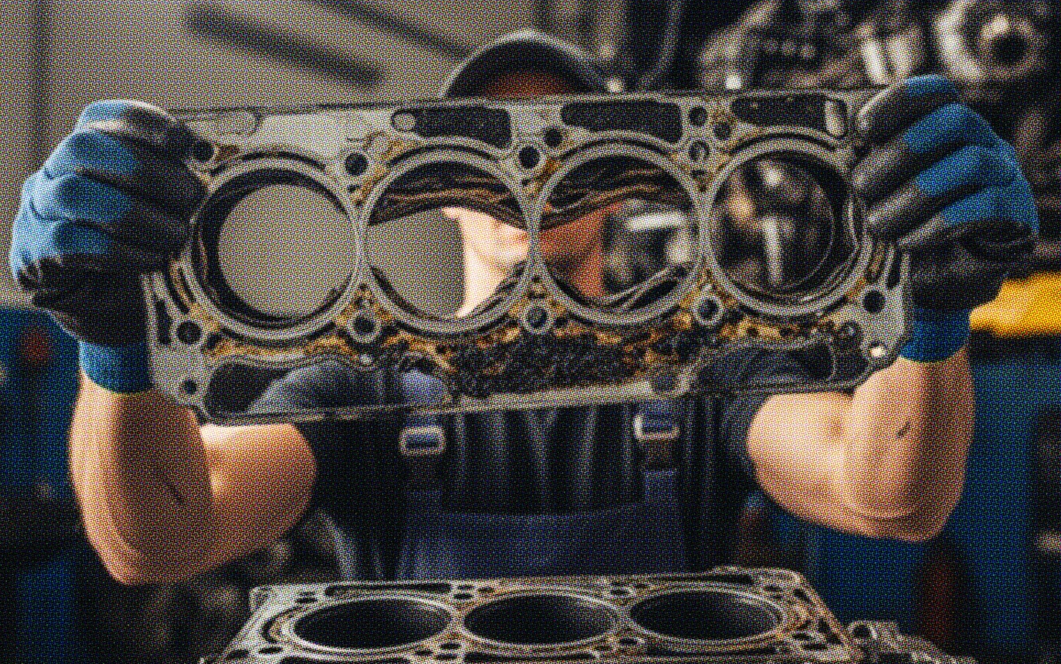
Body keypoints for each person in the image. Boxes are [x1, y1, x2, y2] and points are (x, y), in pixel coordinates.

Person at [9, 30, 1037, 585]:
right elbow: (156, 544)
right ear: (426, 181)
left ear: (628, 178)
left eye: (567, 145)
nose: (526, 175)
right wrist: (117, 353)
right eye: (487, 144)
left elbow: (890, 498)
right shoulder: (349, 385)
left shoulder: (704, 369)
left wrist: (926, 321)